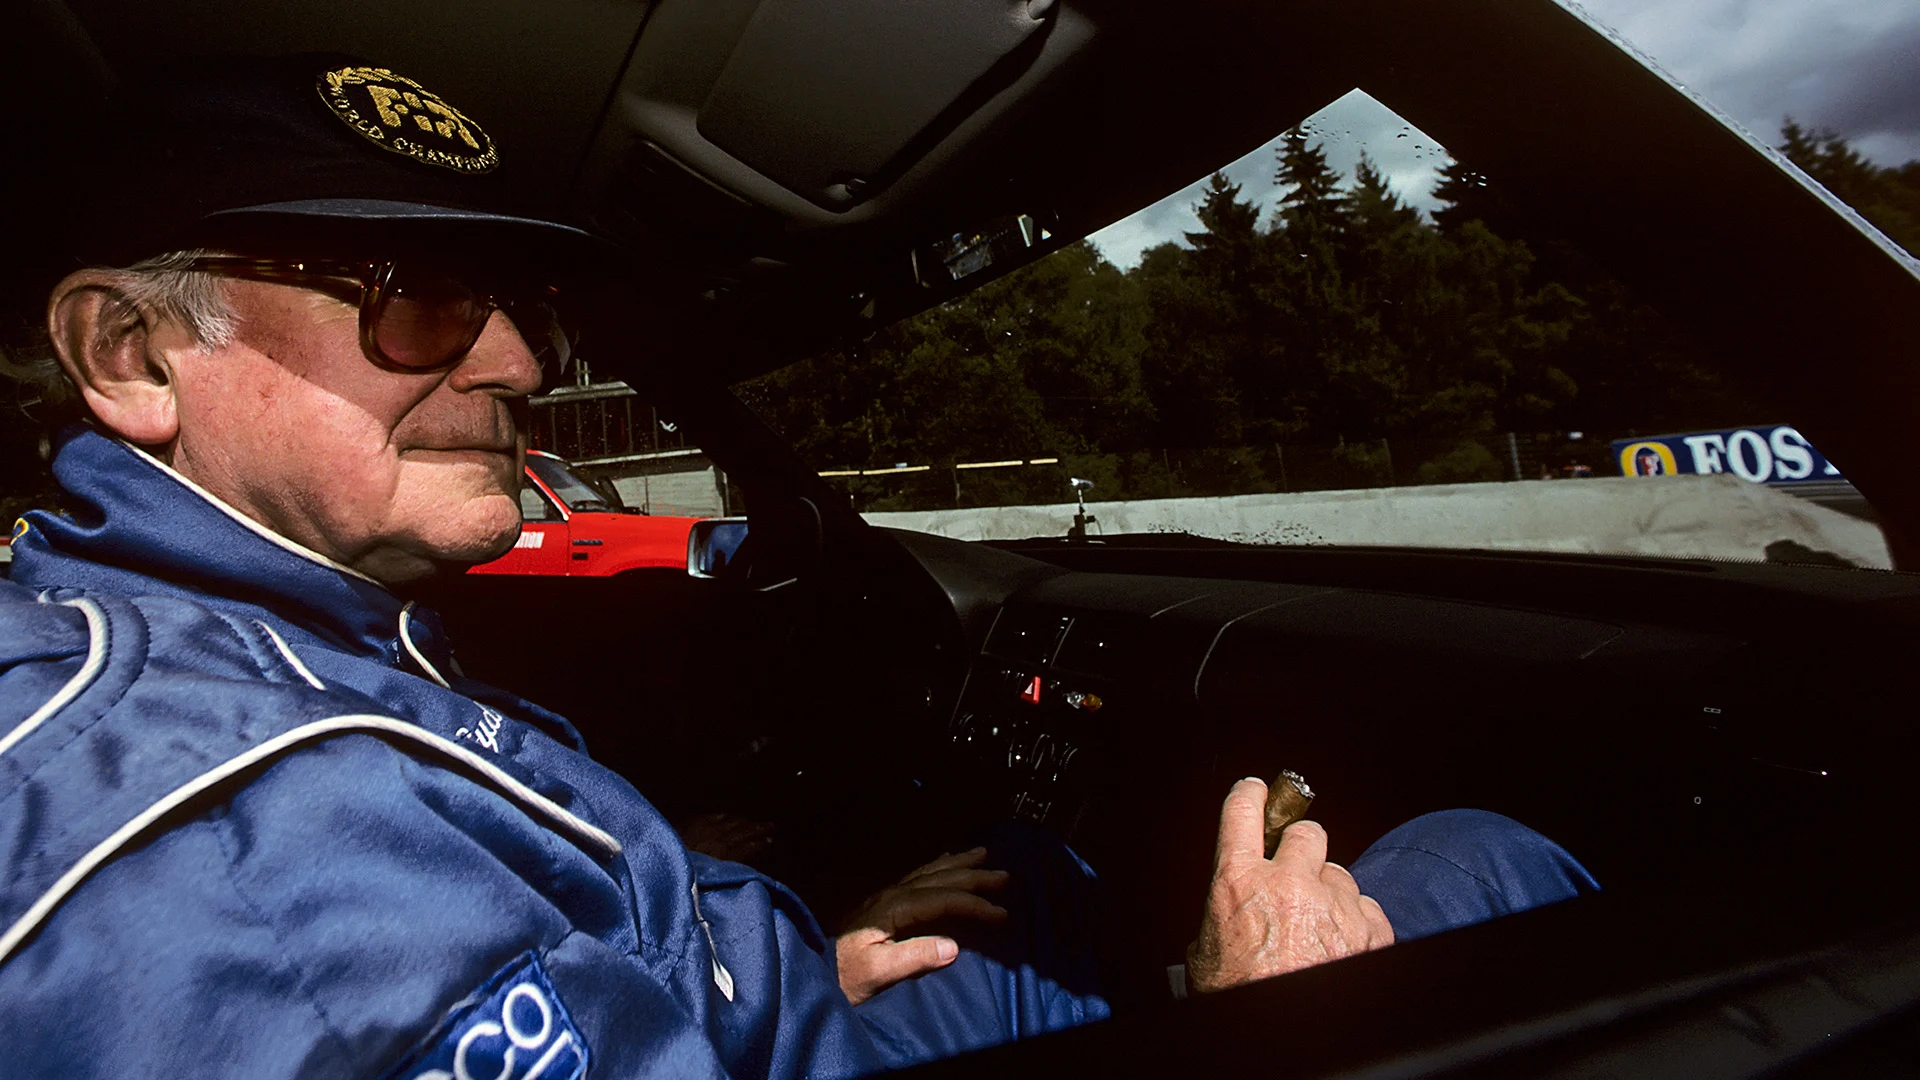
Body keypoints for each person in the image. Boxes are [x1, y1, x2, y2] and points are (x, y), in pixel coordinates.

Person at [0, 57, 1597, 1078]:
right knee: (1480, 852)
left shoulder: (256, 646)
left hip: (764, 1012)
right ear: (133, 354)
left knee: (1022, 880)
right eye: (415, 297)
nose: (514, 365)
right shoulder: (209, 853)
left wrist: (718, 952)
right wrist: (1267, 1034)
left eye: (523, 313)